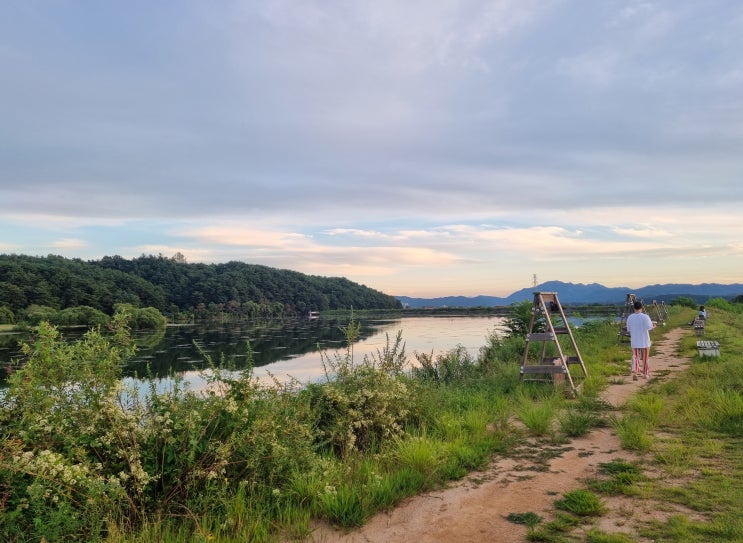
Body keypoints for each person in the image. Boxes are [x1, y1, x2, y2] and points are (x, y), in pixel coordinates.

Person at [626, 300, 655, 380]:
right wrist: (654, 326)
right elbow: (649, 327)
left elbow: (628, 329)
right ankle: (645, 374)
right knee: (645, 357)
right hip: (644, 340)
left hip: (634, 340)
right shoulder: (645, 316)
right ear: (641, 307)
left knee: (635, 356)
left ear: (634, 308)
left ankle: (635, 372)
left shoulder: (630, 317)